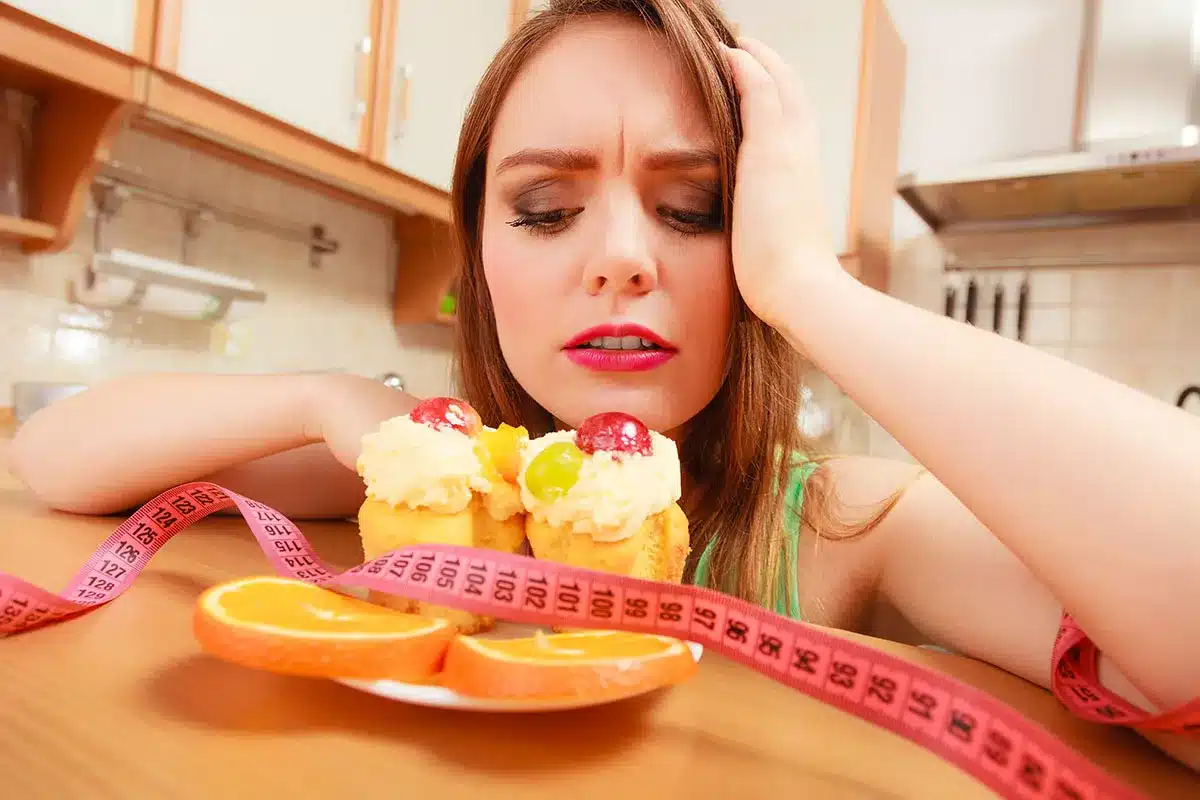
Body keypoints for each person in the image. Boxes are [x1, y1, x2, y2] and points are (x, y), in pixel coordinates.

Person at [8, 0, 1197, 770]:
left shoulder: (842, 526)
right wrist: (322, 396)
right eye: (544, 209)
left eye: (695, 210)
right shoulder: (438, 484)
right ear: (479, 250)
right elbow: (50, 460)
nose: (622, 257)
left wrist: (810, 288)